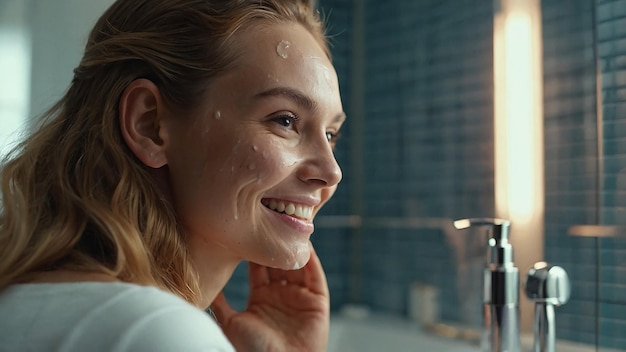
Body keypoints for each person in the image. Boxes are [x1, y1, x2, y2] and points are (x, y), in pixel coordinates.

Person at [0, 0, 345, 351]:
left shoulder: (25, 297)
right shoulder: (156, 332)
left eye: (331, 135)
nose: (331, 172)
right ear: (149, 124)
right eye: (285, 120)